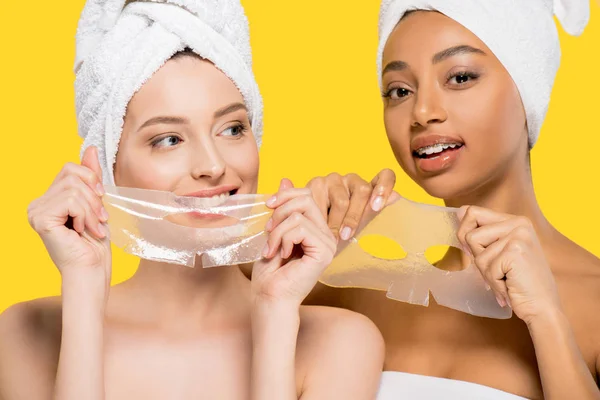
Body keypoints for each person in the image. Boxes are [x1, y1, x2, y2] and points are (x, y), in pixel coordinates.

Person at [0, 1, 384, 399]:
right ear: (107, 165)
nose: (213, 165)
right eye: (169, 139)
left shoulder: (340, 342)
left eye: (233, 128)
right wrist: (83, 291)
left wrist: (274, 314)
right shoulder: (27, 334)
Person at [304, 1, 600, 398]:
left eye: (459, 77)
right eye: (400, 90)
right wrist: (303, 243)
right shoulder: (347, 289)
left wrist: (548, 319)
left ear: (527, 88)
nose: (422, 112)